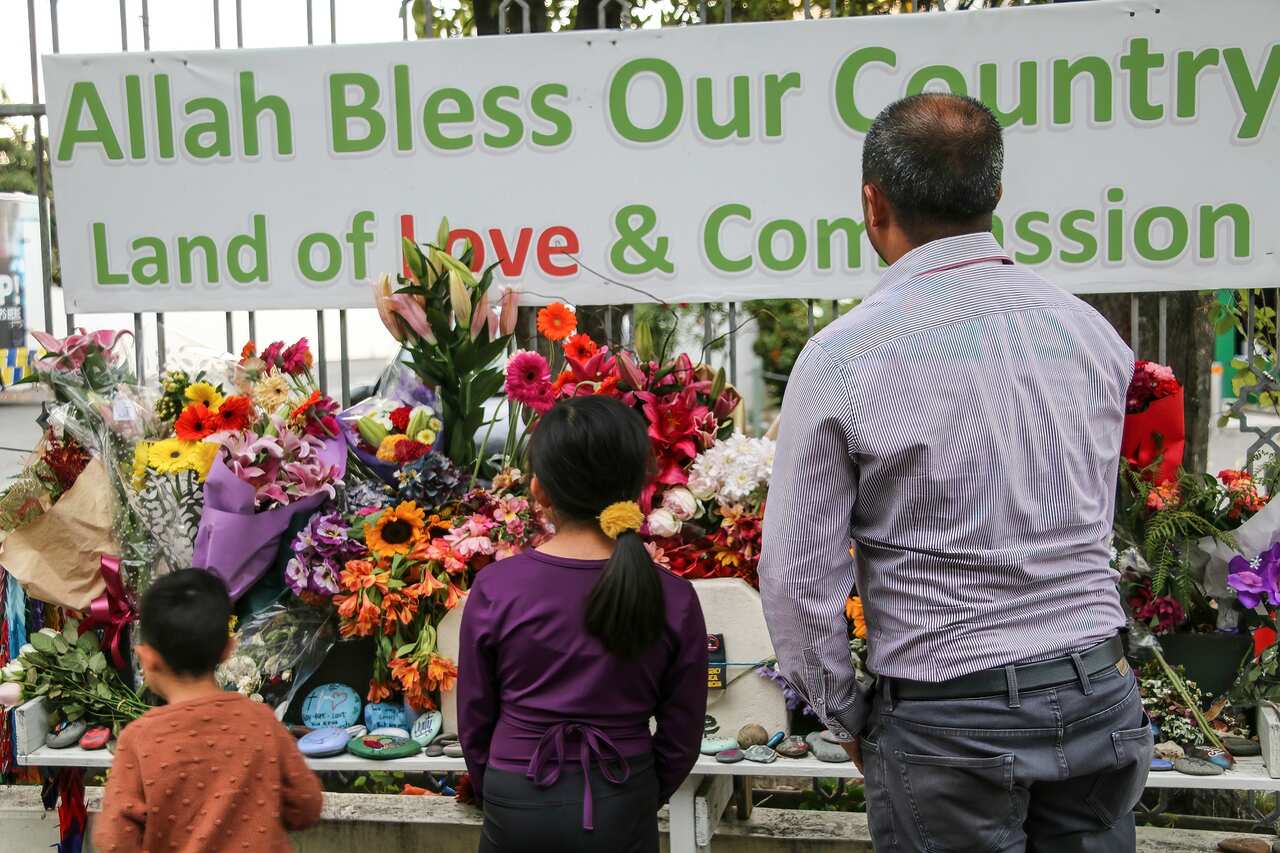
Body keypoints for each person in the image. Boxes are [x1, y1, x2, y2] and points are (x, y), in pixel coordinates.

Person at [759, 92, 1151, 853]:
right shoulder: (1089, 332)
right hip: (1099, 693)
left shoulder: (843, 358)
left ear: (872, 205)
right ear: (996, 196)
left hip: (949, 719)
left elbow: (796, 576)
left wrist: (845, 713)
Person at [458, 395, 708, 853]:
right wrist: (639, 793)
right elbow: (683, 731)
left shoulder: (495, 588)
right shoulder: (674, 596)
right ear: (638, 489)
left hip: (517, 791)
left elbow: (475, 721)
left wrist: (496, 785)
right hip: (622, 790)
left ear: (539, 490)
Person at [94, 569, 323, 852]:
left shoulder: (138, 739)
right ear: (228, 649)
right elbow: (307, 805)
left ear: (147, 658)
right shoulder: (260, 721)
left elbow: (115, 842)